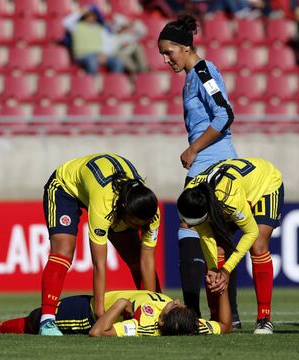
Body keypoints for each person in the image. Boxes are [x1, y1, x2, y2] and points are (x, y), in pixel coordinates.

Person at [157, 14, 240, 326]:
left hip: (212, 163)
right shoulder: (194, 75)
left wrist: (193, 148)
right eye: (163, 54)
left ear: (186, 47)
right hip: (211, 162)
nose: (166, 60)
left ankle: (191, 312)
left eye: (169, 52)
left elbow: (225, 114)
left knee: (187, 227)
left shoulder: (203, 71)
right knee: (217, 240)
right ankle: (228, 317)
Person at [38, 154, 161, 336]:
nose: (139, 229)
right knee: (63, 251)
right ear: (124, 211)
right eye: (136, 224)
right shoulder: (104, 206)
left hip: (106, 195)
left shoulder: (151, 212)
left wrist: (155, 305)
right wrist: (100, 312)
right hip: (65, 188)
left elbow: (147, 261)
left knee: (136, 258)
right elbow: (99, 264)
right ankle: (46, 321)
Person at [177, 157, 284, 334]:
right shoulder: (191, 194)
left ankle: (264, 318)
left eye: (191, 223)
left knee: (258, 247)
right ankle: (217, 317)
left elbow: (251, 232)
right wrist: (212, 267)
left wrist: (226, 270)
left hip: (265, 184)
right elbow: (206, 236)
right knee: (217, 251)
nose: (188, 226)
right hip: (231, 192)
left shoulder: (229, 200)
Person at [0, 288, 232, 337]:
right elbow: (225, 325)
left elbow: (99, 331)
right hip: (94, 299)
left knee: (38, 318)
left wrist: (121, 305)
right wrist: (222, 289)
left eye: (174, 306)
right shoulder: (193, 326)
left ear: (163, 319)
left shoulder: (144, 325)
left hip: (87, 312)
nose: (175, 302)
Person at [62, 5, 124, 75]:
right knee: (91, 62)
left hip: (98, 54)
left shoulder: (100, 29)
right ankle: (91, 83)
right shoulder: (77, 27)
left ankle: (113, 83)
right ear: (85, 16)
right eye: (88, 15)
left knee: (117, 62)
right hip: (83, 55)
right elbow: (66, 22)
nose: (91, 18)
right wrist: (80, 12)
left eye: (93, 16)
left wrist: (104, 54)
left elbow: (106, 43)